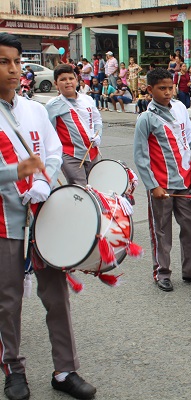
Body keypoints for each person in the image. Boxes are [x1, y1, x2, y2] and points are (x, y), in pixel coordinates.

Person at [0, 32, 97, 400]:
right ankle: (13, 368)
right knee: (8, 303)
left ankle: (65, 370)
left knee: (57, 297)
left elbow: (53, 152)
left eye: (15, 61)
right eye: (3, 62)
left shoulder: (35, 110)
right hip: (5, 223)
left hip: (44, 216)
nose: (12, 69)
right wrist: (17, 174)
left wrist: (42, 180)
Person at [133, 68, 191, 292]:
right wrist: (153, 186)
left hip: (185, 180)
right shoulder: (146, 119)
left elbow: (189, 135)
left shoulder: (179, 108)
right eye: (162, 88)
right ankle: (162, 272)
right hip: (162, 185)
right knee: (162, 230)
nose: (168, 92)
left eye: (171, 87)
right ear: (150, 90)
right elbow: (140, 157)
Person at [45, 63, 102, 186]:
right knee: (80, 189)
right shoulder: (52, 105)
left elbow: (97, 120)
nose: (68, 82)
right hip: (70, 155)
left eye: (71, 78)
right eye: (63, 79)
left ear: (76, 80)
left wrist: (99, 136)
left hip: (92, 152)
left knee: (96, 186)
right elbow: (48, 133)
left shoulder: (88, 100)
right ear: (56, 83)